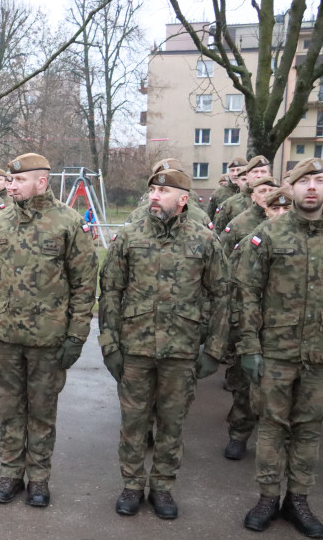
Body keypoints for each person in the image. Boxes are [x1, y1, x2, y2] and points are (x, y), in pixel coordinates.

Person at [235, 158, 323, 538]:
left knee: (309, 430)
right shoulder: (269, 234)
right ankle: (268, 497)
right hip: (276, 350)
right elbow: (248, 293)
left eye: (319, 181)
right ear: (289, 188)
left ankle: (298, 499)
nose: (311, 188)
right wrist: (250, 347)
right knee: (271, 426)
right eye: (303, 181)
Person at [98, 168, 230, 520]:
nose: (154, 196)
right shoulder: (128, 237)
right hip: (136, 347)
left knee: (172, 422)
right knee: (134, 421)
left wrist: (214, 350)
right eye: (153, 190)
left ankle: (162, 487)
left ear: (183, 199)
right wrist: (109, 343)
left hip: (181, 351)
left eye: (163, 191)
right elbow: (110, 290)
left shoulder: (204, 241)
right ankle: (131, 484)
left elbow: (221, 296)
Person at [0, 153, 98, 507]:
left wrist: (76, 336)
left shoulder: (68, 222)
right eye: (9, 181)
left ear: (41, 182)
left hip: (48, 339)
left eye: (18, 180)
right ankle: (10, 473)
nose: (10, 185)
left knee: (42, 412)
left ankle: (39, 478)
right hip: (5, 337)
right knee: (9, 410)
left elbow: (85, 284)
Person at [218, 175, 282, 461]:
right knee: (245, 384)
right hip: (250, 325)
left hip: (286, 331)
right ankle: (239, 434)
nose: (280, 213)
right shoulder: (248, 238)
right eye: (274, 206)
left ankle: (275, 440)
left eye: (286, 208)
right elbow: (230, 283)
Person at [214, 155, 271, 232]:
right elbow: (219, 235)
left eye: (263, 172)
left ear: (270, 175)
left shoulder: (279, 203)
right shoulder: (229, 204)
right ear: (247, 175)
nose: (259, 175)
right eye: (255, 172)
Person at [207, 156, 246, 220]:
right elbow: (210, 216)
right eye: (232, 170)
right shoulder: (219, 192)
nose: (235, 174)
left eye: (238, 170)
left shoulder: (253, 191)